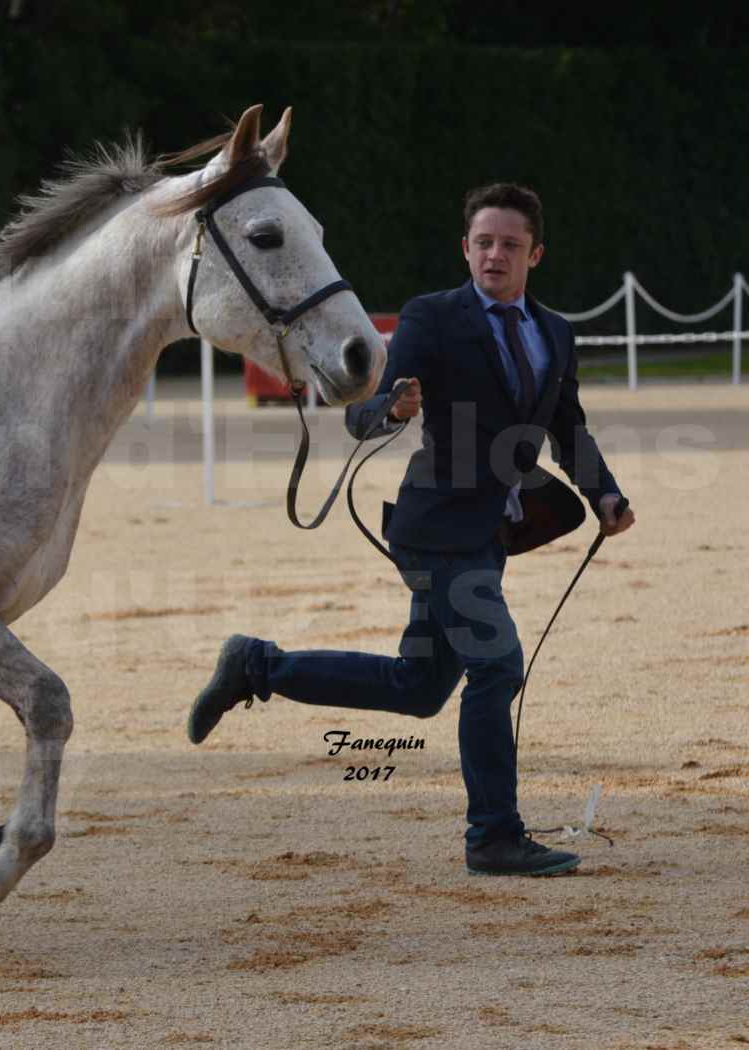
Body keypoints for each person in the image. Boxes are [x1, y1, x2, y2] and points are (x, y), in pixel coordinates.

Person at [187, 183, 636, 876]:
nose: (494, 255)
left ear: (533, 254)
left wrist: (603, 493)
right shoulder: (432, 318)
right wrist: (393, 412)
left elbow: (565, 426)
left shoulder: (553, 332)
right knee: (496, 667)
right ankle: (492, 835)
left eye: (509, 245)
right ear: (465, 248)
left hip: (488, 534)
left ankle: (257, 666)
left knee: (418, 689)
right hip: (433, 530)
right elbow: (361, 417)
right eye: (482, 242)